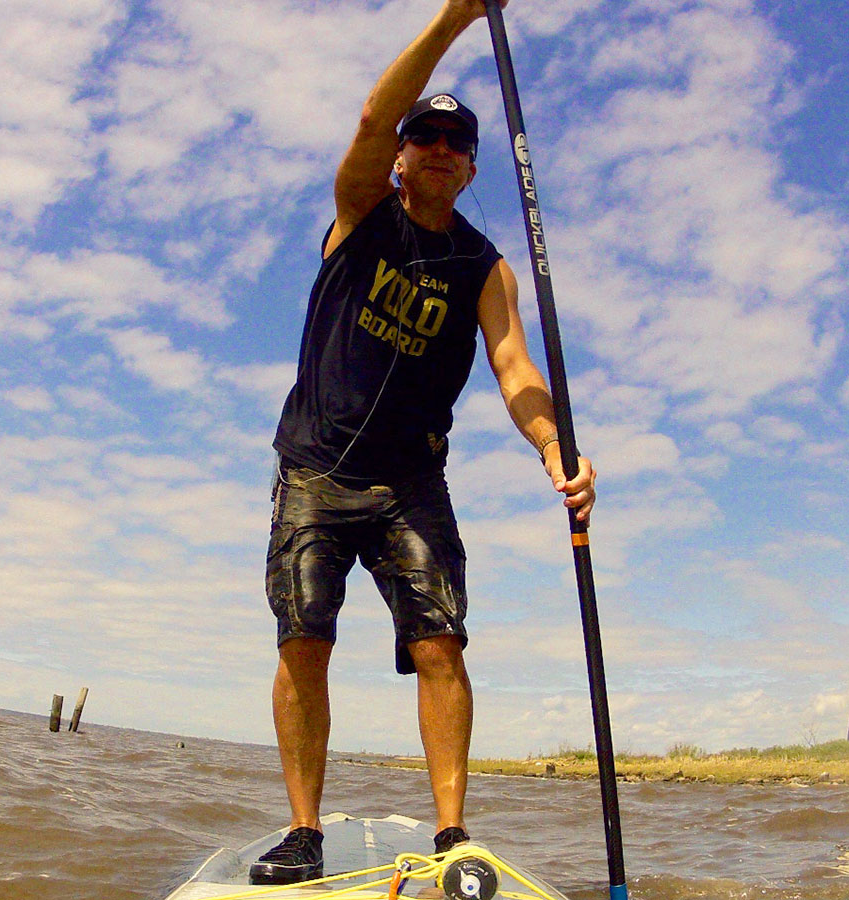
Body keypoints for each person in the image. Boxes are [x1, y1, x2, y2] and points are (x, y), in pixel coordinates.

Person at [250, 0, 595, 885]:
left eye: (455, 141)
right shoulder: (363, 208)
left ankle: (452, 835)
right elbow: (370, 118)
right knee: (304, 639)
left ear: (473, 163)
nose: (438, 149)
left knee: (441, 643)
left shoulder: (486, 268)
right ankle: (304, 831)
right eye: (424, 137)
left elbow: (515, 366)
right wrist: (456, 17)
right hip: (317, 468)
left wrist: (553, 442)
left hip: (412, 480)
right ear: (402, 155)